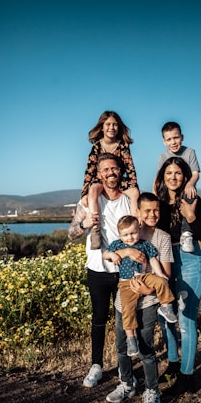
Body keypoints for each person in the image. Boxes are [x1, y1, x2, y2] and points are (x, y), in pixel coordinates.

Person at [68, 153, 142, 388]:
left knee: (125, 320)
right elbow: (71, 234)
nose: (111, 173)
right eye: (106, 170)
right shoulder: (88, 202)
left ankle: (124, 368)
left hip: (125, 271)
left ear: (120, 171)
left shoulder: (129, 201)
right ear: (99, 174)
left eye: (114, 169)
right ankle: (96, 365)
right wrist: (83, 224)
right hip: (97, 269)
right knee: (99, 319)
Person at [105, 192, 174, 403]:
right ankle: (127, 383)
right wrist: (125, 251)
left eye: (156, 210)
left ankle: (152, 391)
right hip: (122, 299)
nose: (152, 214)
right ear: (138, 213)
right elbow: (106, 254)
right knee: (122, 346)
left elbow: (165, 273)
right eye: (147, 210)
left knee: (145, 348)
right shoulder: (126, 234)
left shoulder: (161, 238)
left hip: (148, 300)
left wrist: (147, 290)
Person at [154, 157, 201, 395]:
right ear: (162, 176)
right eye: (169, 173)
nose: (173, 177)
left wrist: (190, 215)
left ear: (185, 176)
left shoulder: (193, 200)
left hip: (190, 262)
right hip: (165, 261)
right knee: (165, 316)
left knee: (186, 321)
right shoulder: (157, 202)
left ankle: (187, 377)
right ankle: (173, 364)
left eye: (178, 173)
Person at [102, 215, 176, 357]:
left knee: (162, 282)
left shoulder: (144, 244)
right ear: (120, 235)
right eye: (126, 234)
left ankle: (166, 307)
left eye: (133, 233)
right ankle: (131, 338)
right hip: (126, 282)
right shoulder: (117, 245)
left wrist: (160, 274)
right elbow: (104, 255)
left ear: (139, 230)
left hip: (144, 277)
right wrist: (112, 255)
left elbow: (153, 259)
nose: (130, 237)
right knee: (127, 309)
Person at [81, 111, 140, 250]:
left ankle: (135, 226)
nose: (111, 128)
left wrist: (133, 187)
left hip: (120, 180)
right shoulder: (96, 146)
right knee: (94, 189)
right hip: (100, 180)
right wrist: (84, 193)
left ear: (119, 127)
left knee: (135, 193)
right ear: (102, 127)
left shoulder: (123, 146)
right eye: (108, 124)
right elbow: (89, 172)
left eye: (115, 125)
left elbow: (130, 169)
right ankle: (95, 230)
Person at [156, 121, 201, 253]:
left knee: (190, 194)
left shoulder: (189, 152)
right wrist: (155, 193)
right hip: (168, 191)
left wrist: (189, 183)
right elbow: (159, 176)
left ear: (182, 137)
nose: (173, 142)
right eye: (169, 139)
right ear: (164, 141)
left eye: (176, 138)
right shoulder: (163, 156)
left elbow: (195, 174)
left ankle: (186, 234)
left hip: (186, 190)